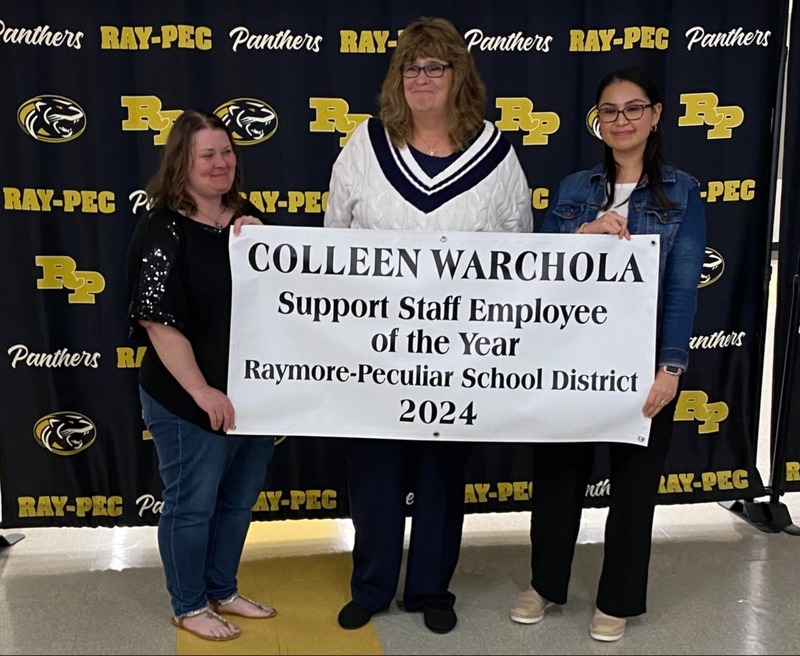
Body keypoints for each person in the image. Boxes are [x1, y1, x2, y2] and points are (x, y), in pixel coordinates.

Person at [324, 16, 533, 635]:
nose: (421, 78)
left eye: (434, 66)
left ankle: (431, 589)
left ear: (457, 75)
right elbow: (334, 242)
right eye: (411, 67)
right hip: (375, 345)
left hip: (458, 350)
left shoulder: (496, 153)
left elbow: (518, 249)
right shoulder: (364, 146)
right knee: (375, 471)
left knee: (443, 472)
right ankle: (372, 584)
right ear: (397, 78)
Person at [509, 66, 706, 642]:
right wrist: (581, 237)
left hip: (643, 364)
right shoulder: (573, 189)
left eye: (633, 108)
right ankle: (545, 584)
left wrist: (670, 369)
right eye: (611, 111)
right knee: (557, 477)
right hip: (570, 359)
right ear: (599, 120)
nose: (622, 120)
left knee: (635, 486)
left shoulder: (684, 190)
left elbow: (683, 286)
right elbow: (535, 269)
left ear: (656, 115)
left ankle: (617, 598)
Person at [126, 109, 277, 642]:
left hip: (252, 393)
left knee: (238, 500)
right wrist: (201, 391)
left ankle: (222, 589)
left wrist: (266, 247)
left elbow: (282, 304)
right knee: (192, 505)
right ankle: (188, 604)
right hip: (186, 396)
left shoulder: (246, 218)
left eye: (227, 152)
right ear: (182, 164)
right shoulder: (163, 225)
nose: (221, 163)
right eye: (206, 155)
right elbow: (154, 317)